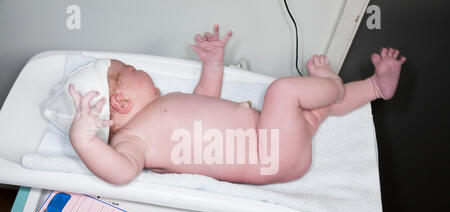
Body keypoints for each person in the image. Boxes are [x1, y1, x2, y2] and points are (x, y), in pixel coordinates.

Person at [68, 24, 406, 185]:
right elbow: (122, 171)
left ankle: (376, 87)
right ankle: (332, 83)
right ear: (120, 101)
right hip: (269, 153)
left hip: (276, 141)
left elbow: (204, 100)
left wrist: (213, 65)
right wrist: (83, 140)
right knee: (282, 92)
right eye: (130, 71)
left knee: (315, 109)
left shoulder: (162, 107)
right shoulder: (132, 140)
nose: (139, 69)